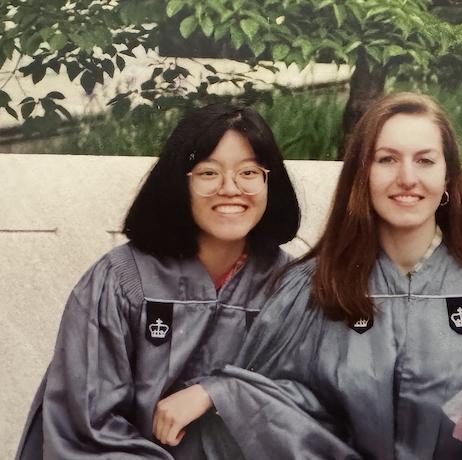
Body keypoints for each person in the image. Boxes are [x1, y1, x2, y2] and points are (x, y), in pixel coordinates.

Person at [152, 92, 462, 459]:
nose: (407, 178)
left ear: (448, 179)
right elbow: (280, 416)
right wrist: (222, 392)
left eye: (425, 160)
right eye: (386, 159)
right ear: (361, 175)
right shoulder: (312, 289)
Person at [15, 103, 301, 459]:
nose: (231, 188)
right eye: (208, 173)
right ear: (180, 184)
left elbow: (314, 406)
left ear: (268, 181)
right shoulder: (120, 282)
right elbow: (87, 427)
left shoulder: (293, 288)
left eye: (249, 172)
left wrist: (219, 392)